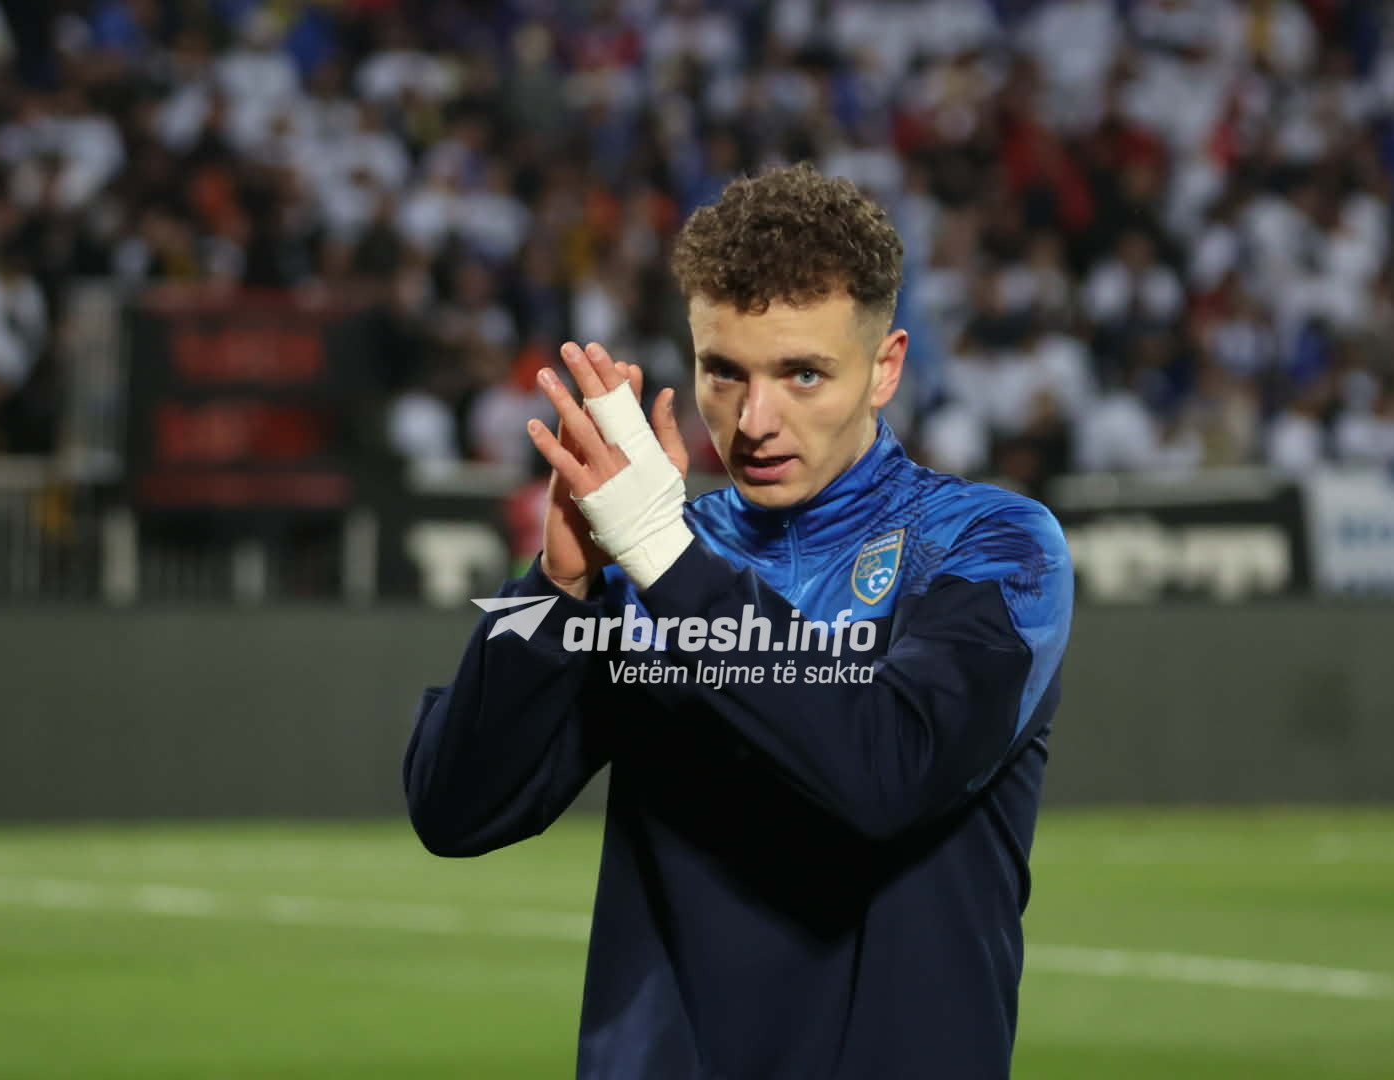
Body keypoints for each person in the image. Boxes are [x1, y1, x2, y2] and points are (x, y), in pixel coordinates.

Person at [403, 163, 1074, 1079]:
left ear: (886, 367)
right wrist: (560, 585)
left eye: (803, 374)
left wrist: (663, 556)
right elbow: (456, 810)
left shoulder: (991, 545)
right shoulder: (651, 564)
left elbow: (888, 774)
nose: (755, 419)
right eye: (724, 372)